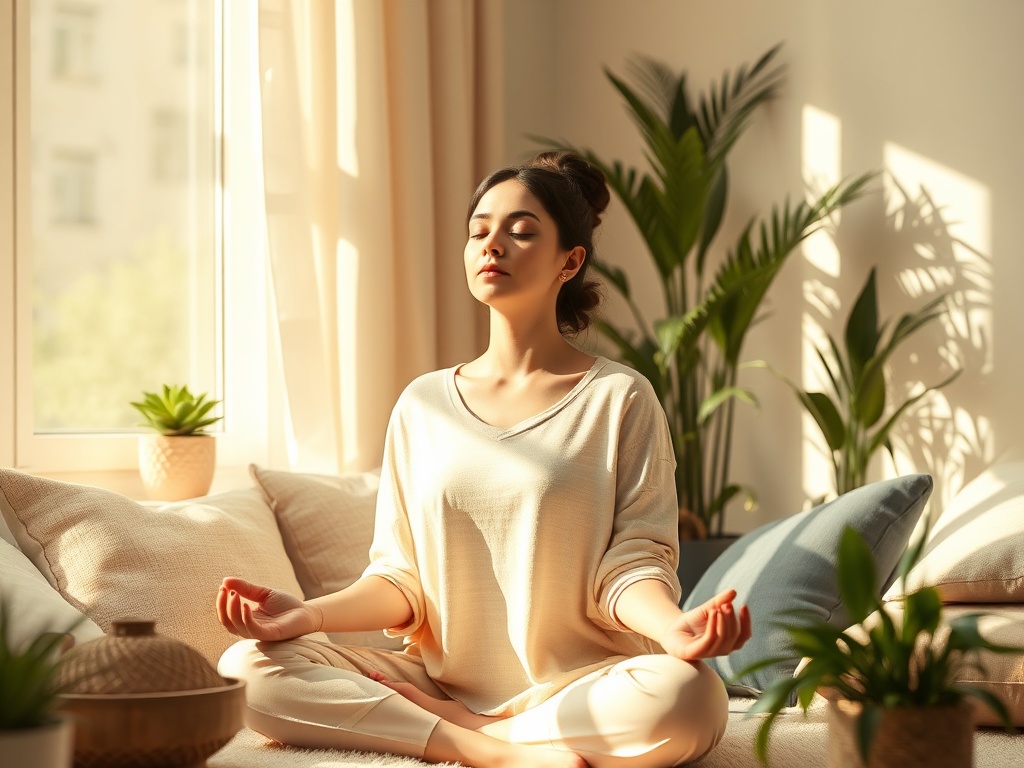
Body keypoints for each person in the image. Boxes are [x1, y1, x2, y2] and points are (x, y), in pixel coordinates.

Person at [216, 151, 752, 768]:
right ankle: (485, 748)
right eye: (479, 231)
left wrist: (670, 627)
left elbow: (631, 565)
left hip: (582, 687)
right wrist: (307, 615)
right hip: (436, 686)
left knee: (688, 698)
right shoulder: (424, 404)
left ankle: (468, 735)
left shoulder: (618, 397)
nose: (492, 244)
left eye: (521, 232)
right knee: (246, 668)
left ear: (569, 262)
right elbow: (401, 579)